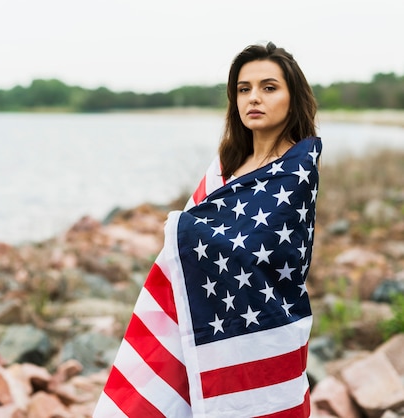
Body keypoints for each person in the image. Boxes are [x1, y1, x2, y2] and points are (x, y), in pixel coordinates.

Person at [94, 42, 321, 417]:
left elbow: (266, 250)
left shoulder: (296, 169)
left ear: (292, 97)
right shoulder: (227, 164)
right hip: (197, 311)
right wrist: (184, 234)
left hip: (257, 323)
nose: (254, 99)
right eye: (244, 89)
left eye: (269, 87)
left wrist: (180, 229)